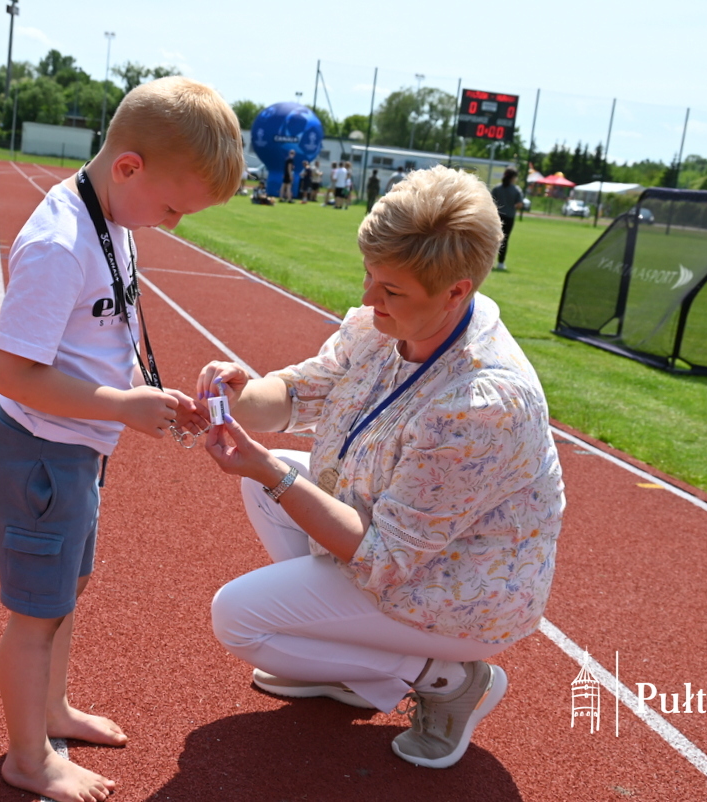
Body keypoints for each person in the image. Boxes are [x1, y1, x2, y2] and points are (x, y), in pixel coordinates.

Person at [198, 164, 564, 770]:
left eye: (391, 290)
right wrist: (239, 395)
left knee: (238, 618)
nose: (369, 297)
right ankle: (353, 660)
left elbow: (385, 556)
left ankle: (446, 678)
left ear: (456, 290)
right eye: (370, 274)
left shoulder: (480, 405)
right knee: (278, 482)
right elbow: (297, 393)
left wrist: (267, 471)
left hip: (460, 593)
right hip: (400, 553)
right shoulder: (384, 326)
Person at [0, 76, 241, 802]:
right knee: (36, 612)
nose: (176, 224)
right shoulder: (63, 242)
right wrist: (122, 404)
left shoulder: (115, 222)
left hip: (78, 446)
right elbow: (11, 373)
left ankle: (52, 713)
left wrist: (143, 397)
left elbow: (100, 334)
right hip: (40, 448)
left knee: (68, 591)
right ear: (128, 167)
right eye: (173, 208)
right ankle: (27, 759)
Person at [490, 167, 524, 271]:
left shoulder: (497, 188)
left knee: (493, 239)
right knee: (504, 240)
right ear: (513, 178)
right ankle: (501, 262)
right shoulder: (516, 190)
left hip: (497, 216)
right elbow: (519, 204)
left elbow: (490, 201)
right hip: (509, 217)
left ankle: (489, 261)